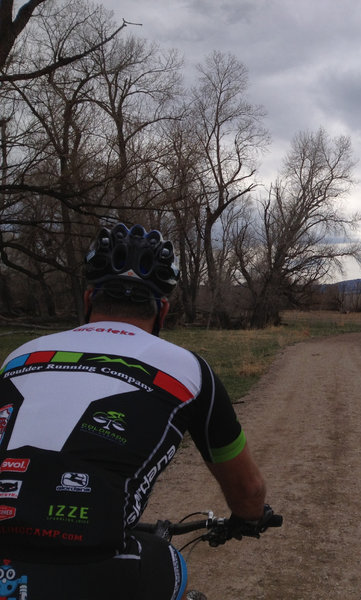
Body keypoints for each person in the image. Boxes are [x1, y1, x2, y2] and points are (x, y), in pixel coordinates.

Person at [0, 223, 275, 599]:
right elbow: (247, 490)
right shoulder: (191, 371)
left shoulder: (18, 357)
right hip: (92, 567)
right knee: (168, 560)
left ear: (88, 299)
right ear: (162, 310)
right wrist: (250, 516)